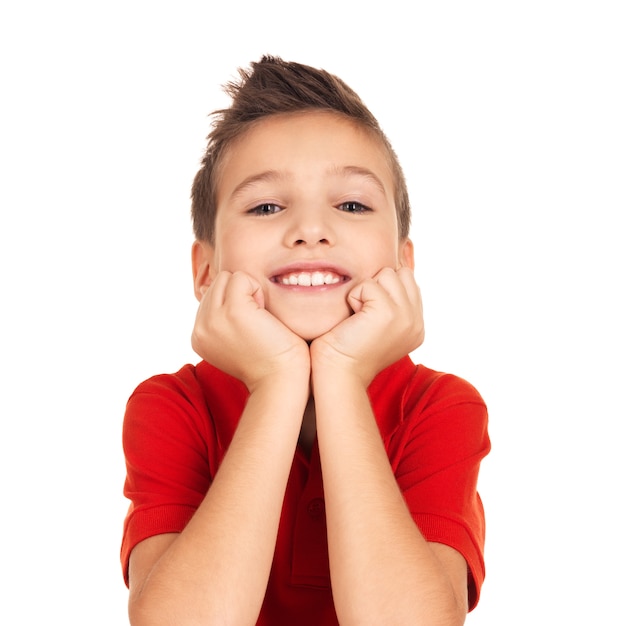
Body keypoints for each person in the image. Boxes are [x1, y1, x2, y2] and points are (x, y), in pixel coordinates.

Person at [120, 55, 490, 626]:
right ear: (206, 270)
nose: (311, 230)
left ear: (402, 263)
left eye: (352, 205)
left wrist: (340, 374)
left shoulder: (441, 407)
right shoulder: (170, 406)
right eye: (267, 206)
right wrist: (276, 382)